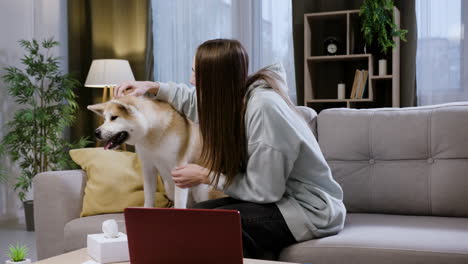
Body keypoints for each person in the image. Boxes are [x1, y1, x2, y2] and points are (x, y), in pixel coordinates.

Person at [114, 39, 346, 260]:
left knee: (213, 230)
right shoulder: (235, 97)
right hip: (277, 201)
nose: (191, 80)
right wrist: (151, 87)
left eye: (197, 73)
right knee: (192, 218)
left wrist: (207, 175)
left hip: (308, 208)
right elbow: (194, 100)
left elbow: (266, 191)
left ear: (217, 78)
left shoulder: (265, 109)